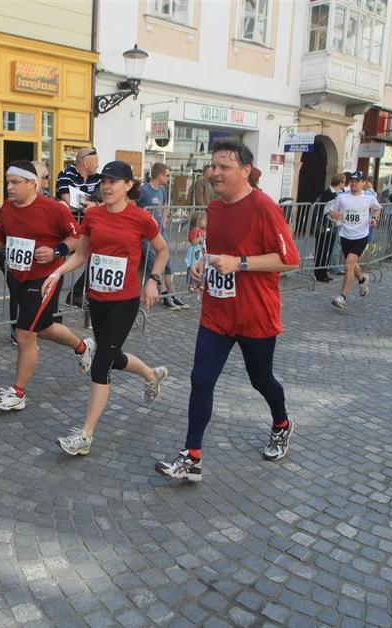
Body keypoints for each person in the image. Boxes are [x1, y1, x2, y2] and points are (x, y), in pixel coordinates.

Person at [155, 139, 300, 482]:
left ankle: (281, 423)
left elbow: (290, 260)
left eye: (224, 167)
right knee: (201, 379)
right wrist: (203, 264)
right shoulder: (215, 208)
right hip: (217, 313)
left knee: (261, 379)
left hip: (255, 314)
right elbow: (219, 251)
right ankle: (192, 457)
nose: (215, 172)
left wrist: (241, 263)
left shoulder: (263, 206)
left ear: (245, 170)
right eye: (213, 166)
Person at [44, 161, 169, 456]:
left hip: (125, 301)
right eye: (104, 181)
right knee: (112, 357)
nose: (107, 186)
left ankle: (85, 435)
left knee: (101, 365)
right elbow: (82, 254)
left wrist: (153, 280)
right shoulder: (93, 215)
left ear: (129, 185)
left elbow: (163, 250)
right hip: (97, 298)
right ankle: (151, 375)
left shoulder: (141, 218)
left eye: (114, 181)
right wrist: (57, 272)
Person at [0, 160, 94, 412]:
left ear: (32, 184)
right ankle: (83, 346)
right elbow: (0, 234)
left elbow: (77, 238)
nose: (9, 187)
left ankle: (18, 393)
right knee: (43, 327)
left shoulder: (54, 209)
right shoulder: (7, 208)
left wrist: (56, 251)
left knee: (24, 334)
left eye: (15, 182)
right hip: (18, 276)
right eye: (8, 182)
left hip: (45, 277)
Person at [55, 148, 101, 306]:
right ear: (86, 163)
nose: (98, 165)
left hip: (87, 230)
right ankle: (51, 303)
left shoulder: (99, 178)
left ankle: (76, 294)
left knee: (98, 258)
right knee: (57, 262)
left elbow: (103, 202)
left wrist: (91, 204)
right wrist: (92, 203)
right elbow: (68, 200)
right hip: (65, 230)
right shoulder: (67, 173)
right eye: (96, 162)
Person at [329, 172, 382, 310]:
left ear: (363, 183)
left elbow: (377, 209)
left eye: (357, 181)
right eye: (352, 181)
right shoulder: (342, 197)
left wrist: (374, 218)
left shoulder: (369, 198)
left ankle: (342, 297)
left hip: (361, 236)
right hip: (345, 235)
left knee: (348, 264)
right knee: (352, 264)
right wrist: (336, 215)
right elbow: (332, 210)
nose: (354, 183)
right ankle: (362, 280)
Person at [141, 163, 188, 310]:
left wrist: (164, 221)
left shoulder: (162, 190)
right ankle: (164, 294)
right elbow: (135, 206)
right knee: (155, 263)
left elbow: (165, 205)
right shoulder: (143, 190)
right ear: (160, 175)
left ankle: (172, 294)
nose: (168, 178)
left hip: (160, 231)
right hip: (147, 235)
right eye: (167, 175)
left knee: (166, 263)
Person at [313, 174, 345, 283]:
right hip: (325, 225)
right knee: (321, 249)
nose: (344, 185)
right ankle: (319, 273)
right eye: (343, 182)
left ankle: (324, 271)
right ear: (339, 182)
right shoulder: (327, 193)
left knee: (328, 248)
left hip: (334, 224)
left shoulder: (339, 194)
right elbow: (324, 209)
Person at [186, 210, 207, 293]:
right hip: (195, 253)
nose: (206, 221)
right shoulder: (194, 231)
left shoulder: (203, 230)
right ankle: (192, 284)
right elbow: (193, 241)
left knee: (202, 268)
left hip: (202, 252)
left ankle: (200, 284)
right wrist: (200, 237)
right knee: (193, 267)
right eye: (204, 220)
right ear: (198, 220)